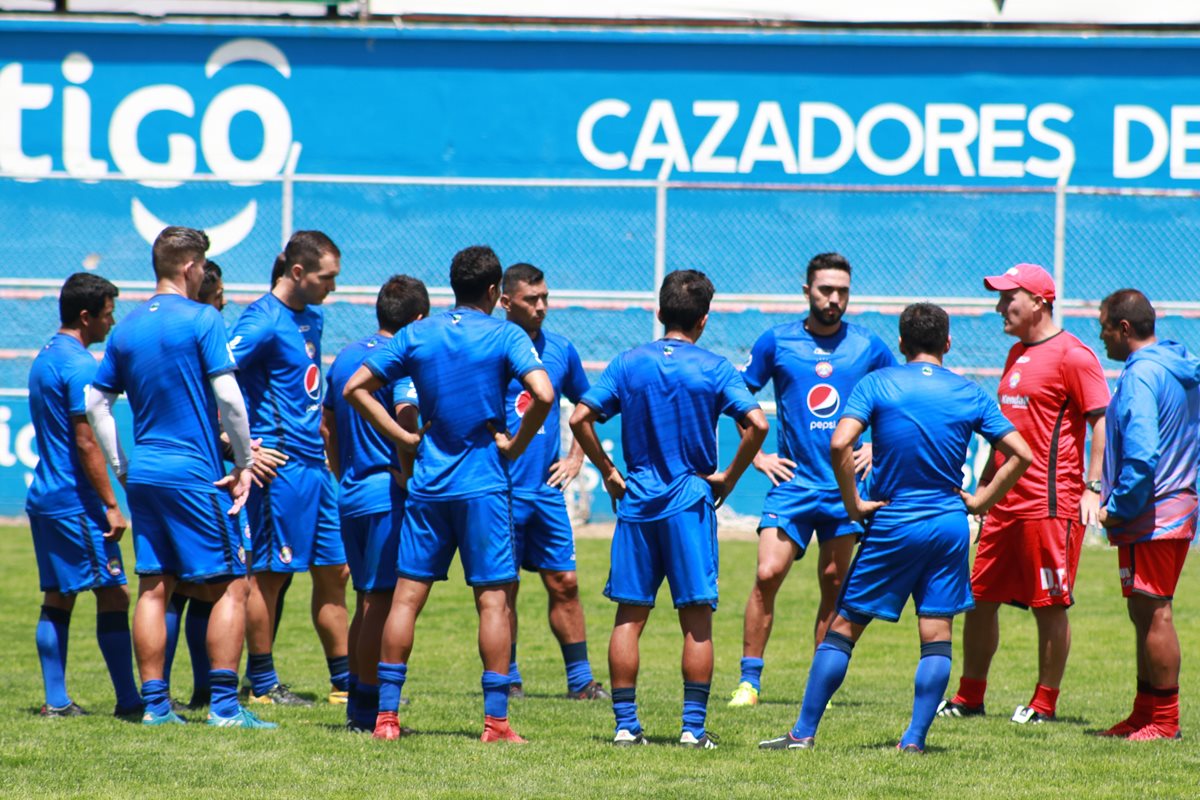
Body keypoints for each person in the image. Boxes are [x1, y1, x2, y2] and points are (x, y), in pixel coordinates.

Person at [759, 302, 1032, 753]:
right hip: (948, 523)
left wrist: (853, 503)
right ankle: (914, 740)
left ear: (902, 343)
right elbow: (1020, 453)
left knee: (844, 627)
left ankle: (803, 734)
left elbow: (840, 441)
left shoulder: (878, 383)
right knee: (937, 632)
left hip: (893, 520)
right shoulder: (969, 391)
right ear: (947, 343)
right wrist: (981, 501)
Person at [345, 244, 553, 743]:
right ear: (493, 292)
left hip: (429, 484)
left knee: (406, 599)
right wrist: (516, 443)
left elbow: (356, 387)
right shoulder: (506, 335)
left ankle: (387, 719)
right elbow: (544, 394)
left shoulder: (418, 333)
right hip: (483, 485)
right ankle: (496, 723)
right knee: (493, 603)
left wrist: (405, 439)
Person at [571, 269, 769, 749]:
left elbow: (580, 417)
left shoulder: (627, 363)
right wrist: (728, 477)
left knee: (629, 617)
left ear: (659, 313)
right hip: (688, 503)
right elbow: (757, 425)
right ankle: (692, 730)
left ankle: (624, 726)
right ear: (703, 319)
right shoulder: (714, 367)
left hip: (637, 502)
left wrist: (610, 472)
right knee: (696, 619)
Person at [86, 225, 271, 728]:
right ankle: (227, 710)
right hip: (195, 471)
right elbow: (230, 398)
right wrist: (244, 464)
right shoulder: (202, 319)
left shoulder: (124, 329)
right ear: (191, 268)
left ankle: (156, 706)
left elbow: (96, 402)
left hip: (146, 470)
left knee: (154, 584)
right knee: (234, 585)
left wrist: (122, 464)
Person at [941, 263, 1109, 725]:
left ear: (1039, 301)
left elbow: (1100, 421)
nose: (999, 307)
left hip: (1050, 506)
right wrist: (984, 488)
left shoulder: (1074, 355)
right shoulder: (1016, 353)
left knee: (1049, 604)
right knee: (978, 598)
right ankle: (969, 697)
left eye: (1007, 298)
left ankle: (1044, 704)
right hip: (1004, 504)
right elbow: (1008, 434)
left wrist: (1093, 487)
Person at [728, 252, 895, 708]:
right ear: (807, 291)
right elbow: (735, 396)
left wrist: (876, 446)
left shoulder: (868, 347)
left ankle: (815, 688)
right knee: (767, 573)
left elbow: (897, 401)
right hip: (794, 484)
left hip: (844, 489)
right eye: (826, 290)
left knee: (834, 582)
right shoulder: (776, 342)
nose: (834, 299)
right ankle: (749, 682)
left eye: (842, 291)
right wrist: (758, 456)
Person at [231, 231, 350, 706]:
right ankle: (262, 684)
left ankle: (345, 682)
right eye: (327, 278)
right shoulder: (261, 320)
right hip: (279, 469)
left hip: (315, 468)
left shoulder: (312, 319)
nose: (333, 288)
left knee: (335, 571)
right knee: (270, 575)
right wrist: (240, 446)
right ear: (297, 272)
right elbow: (213, 374)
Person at [26, 272, 141, 718]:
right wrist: (112, 503)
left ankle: (57, 701)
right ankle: (129, 701)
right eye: (108, 315)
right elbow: (86, 439)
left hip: (46, 496)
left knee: (58, 596)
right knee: (114, 594)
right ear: (86, 315)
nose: (111, 324)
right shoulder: (80, 366)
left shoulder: (45, 357)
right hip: (75, 502)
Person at [324, 274, 429, 732]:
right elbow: (407, 418)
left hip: (349, 492)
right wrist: (408, 473)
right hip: (386, 494)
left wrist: (342, 473)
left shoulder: (346, 357)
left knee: (366, 597)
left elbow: (327, 427)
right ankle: (369, 709)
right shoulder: (400, 362)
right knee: (380, 603)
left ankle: (355, 706)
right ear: (418, 319)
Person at [499, 262, 608, 701]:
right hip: (501, 489)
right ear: (506, 302)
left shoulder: (561, 349)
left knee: (564, 583)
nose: (542, 307)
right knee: (502, 587)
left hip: (546, 493)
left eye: (545, 297)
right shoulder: (491, 347)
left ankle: (580, 681)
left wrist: (576, 457)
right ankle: (506, 677)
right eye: (531, 299)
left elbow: (586, 407)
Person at [1096, 289, 1199, 741]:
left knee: (1155, 612)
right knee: (1143, 611)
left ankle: (1165, 720)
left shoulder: (1140, 375)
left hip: (1152, 512)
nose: (1101, 339)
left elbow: (1142, 454)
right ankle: (1144, 714)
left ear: (1123, 328)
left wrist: (1116, 507)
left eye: (1103, 327)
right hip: (1168, 507)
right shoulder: (1174, 365)